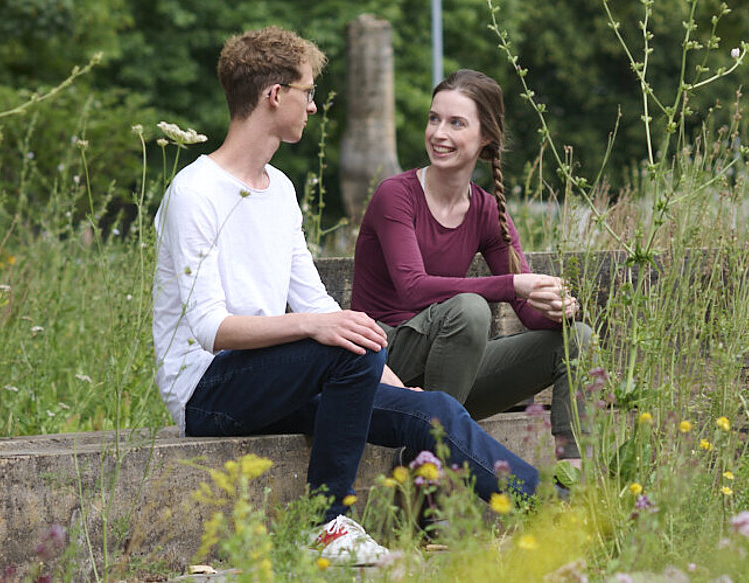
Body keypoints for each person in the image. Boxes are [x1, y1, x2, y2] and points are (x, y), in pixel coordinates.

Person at [152, 29, 540, 566]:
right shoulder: (194, 192)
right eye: (307, 92)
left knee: (432, 409)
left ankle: (557, 509)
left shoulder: (280, 189)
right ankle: (327, 524)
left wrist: (389, 378)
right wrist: (317, 329)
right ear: (274, 95)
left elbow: (320, 303)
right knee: (340, 341)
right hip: (209, 391)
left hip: (275, 380)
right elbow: (210, 329)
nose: (312, 105)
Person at [351, 69, 594, 462]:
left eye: (456, 123)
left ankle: (574, 480)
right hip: (382, 362)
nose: (438, 133)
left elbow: (531, 316)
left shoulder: (486, 210)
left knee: (576, 339)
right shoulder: (396, 195)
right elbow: (413, 287)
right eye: (434, 119)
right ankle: (426, 455)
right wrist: (515, 284)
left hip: (450, 373)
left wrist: (560, 309)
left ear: (486, 138)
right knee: (469, 310)